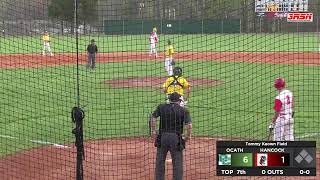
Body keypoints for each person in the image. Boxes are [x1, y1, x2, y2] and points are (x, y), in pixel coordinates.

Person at [150, 92, 192, 180]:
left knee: (160, 162)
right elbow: (189, 126)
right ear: (179, 101)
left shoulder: (161, 107)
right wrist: (187, 137)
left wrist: (153, 131)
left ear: (169, 100)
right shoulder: (184, 110)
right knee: (177, 163)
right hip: (175, 139)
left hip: (162, 137)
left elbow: (153, 118)